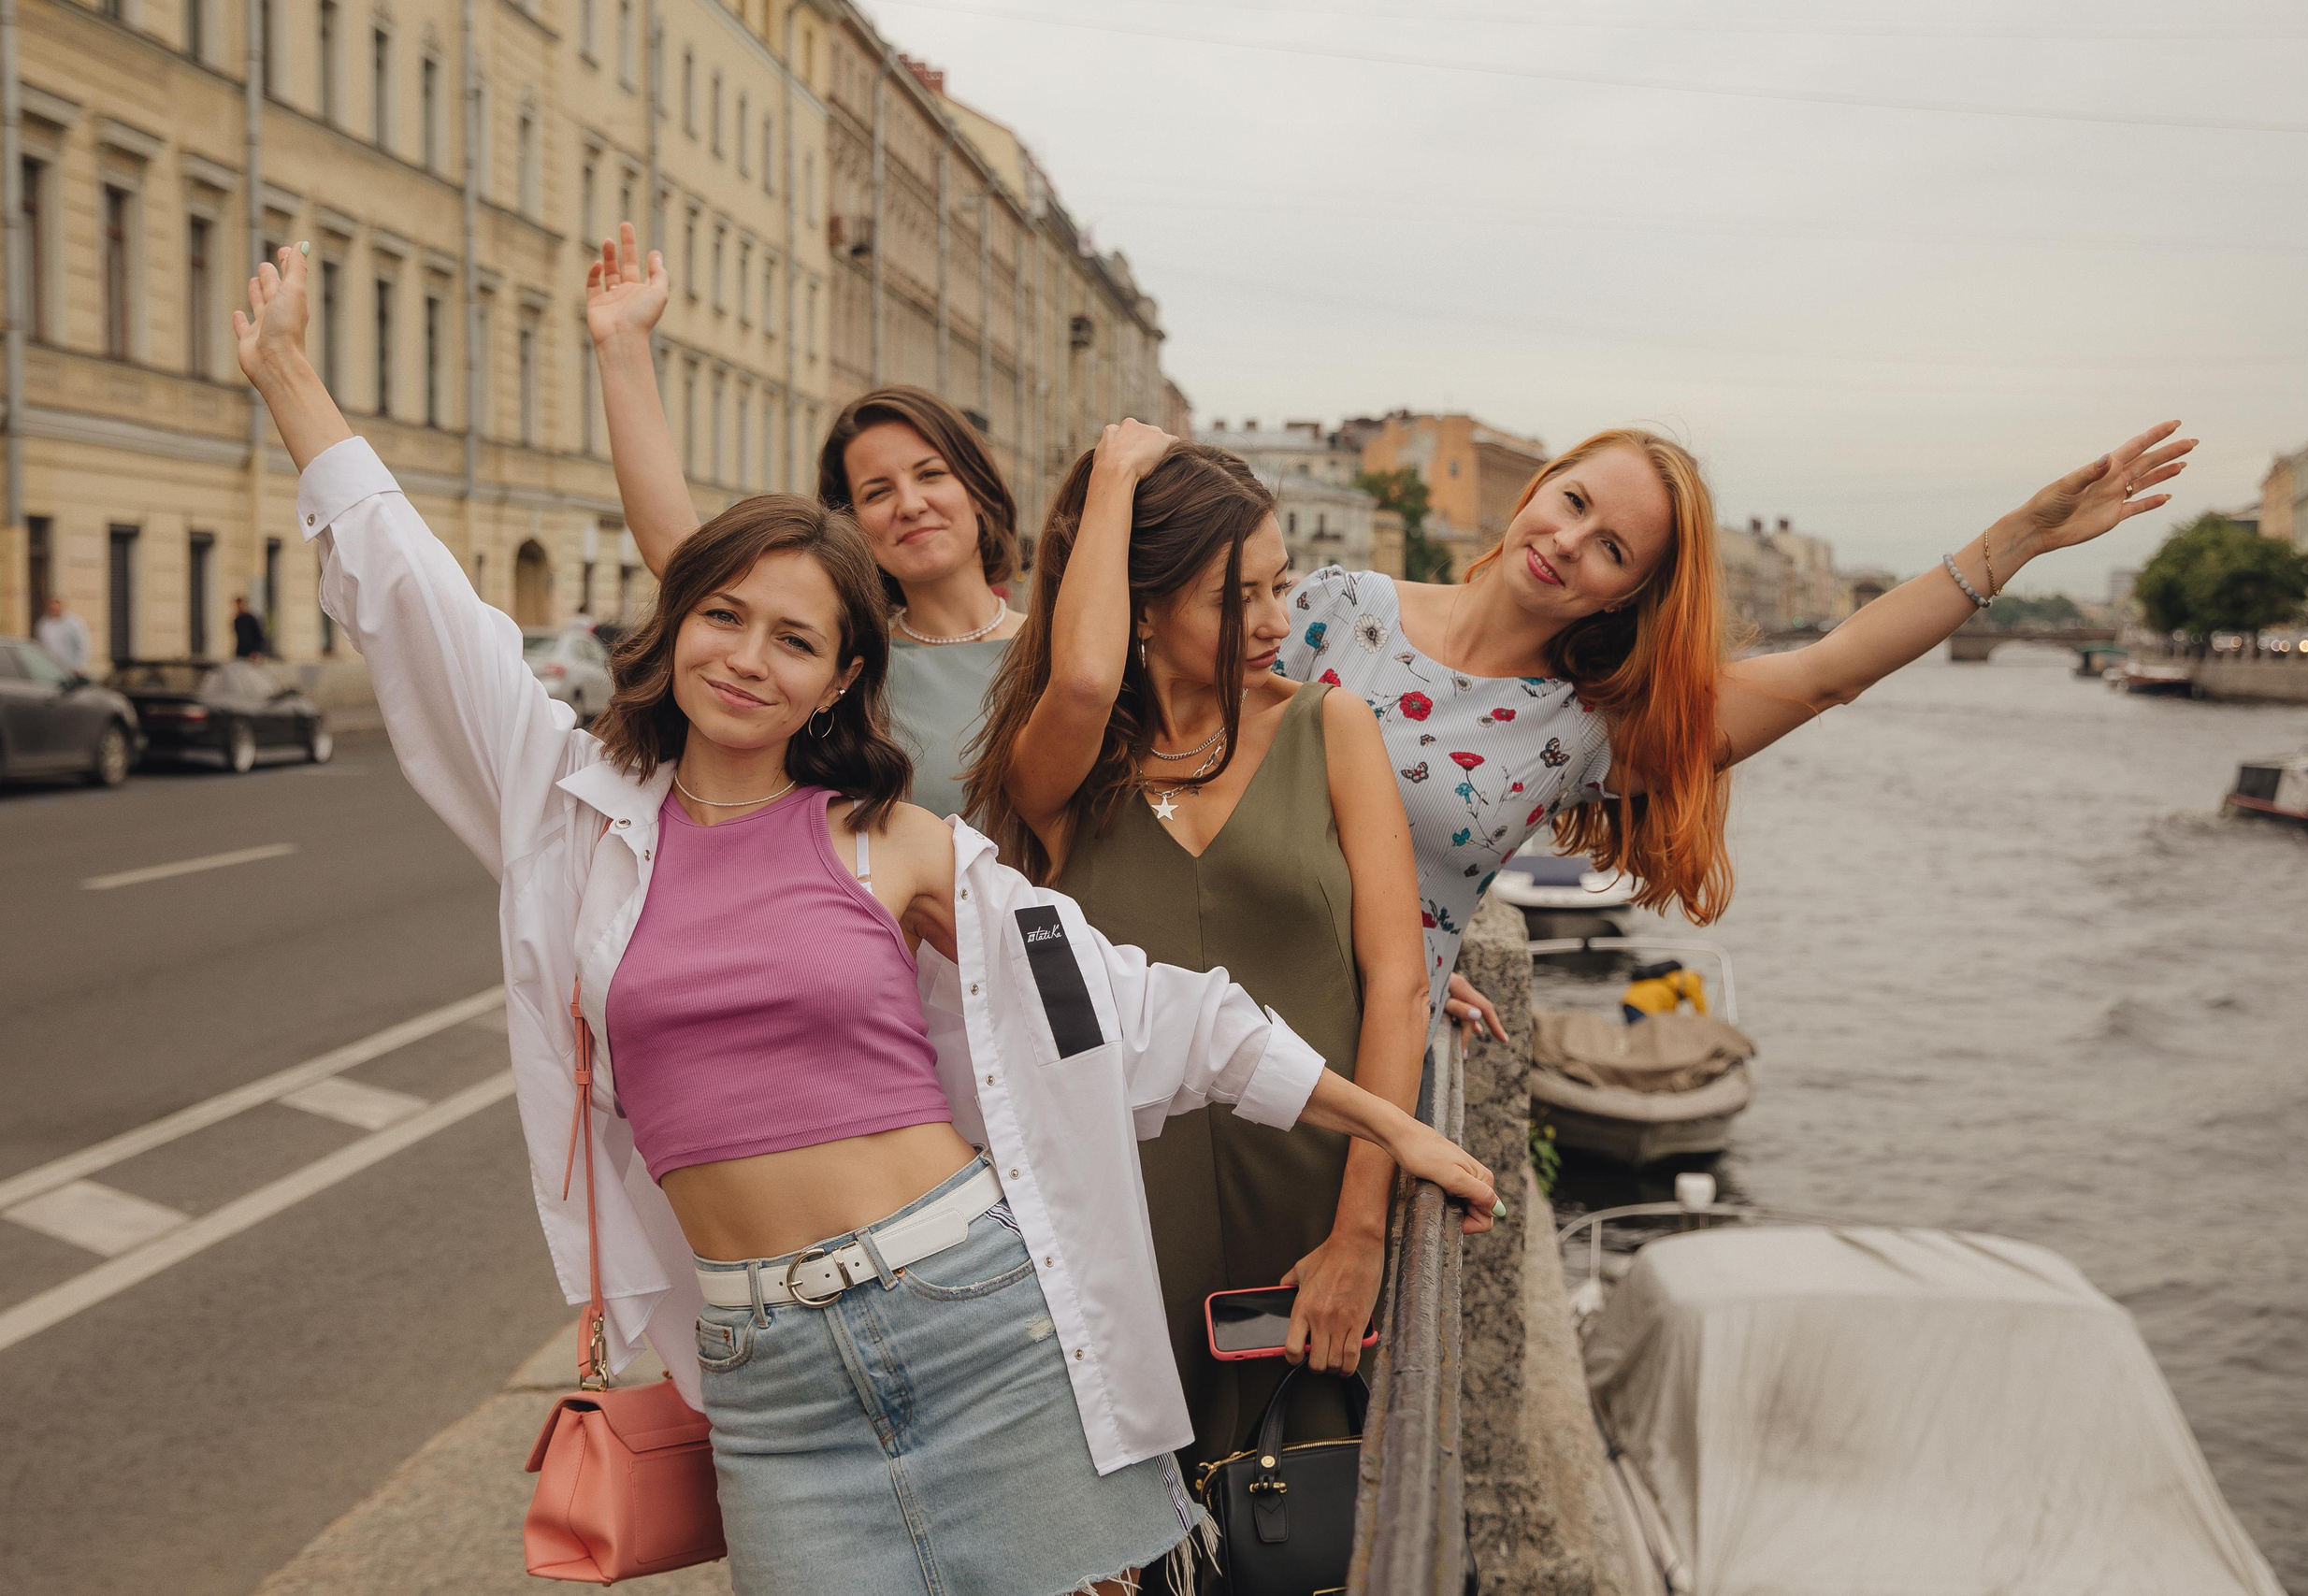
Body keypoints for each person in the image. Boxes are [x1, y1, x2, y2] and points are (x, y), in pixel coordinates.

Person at [233, 244, 1495, 1596]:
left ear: (844, 677)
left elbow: (1139, 1003)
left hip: (979, 1320)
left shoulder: (889, 837)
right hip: (764, 1384)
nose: (746, 658)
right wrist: (290, 376)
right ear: (674, 626)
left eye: (794, 641)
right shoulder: (577, 818)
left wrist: (1398, 1122)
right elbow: (420, 608)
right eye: (721, 616)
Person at [1278, 422, 2195, 1020]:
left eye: (1610, 549)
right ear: (1536, 489)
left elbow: (1825, 674)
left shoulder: (1582, 726)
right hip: (1205, 993)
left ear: (1630, 595)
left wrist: (2018, 540)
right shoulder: (1335, 606)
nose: (1566, 543)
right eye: (1573, 502)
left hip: (1362, 1054)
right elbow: (1195, 767)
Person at [964, 422, 1435, 1481]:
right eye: (1236, 599)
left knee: (1306, 1521)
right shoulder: (1062, 775)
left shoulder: (1331, 728)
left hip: (1315, 1204)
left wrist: (1363, 1230)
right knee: (1141, 1534)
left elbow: (1397, 988)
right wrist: (1116, 477)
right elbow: (1082, 686)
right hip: (1123, 1222)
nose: (1276, 622)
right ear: (1137, 610)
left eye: (1282, 586)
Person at [586, 224, 1024, 820]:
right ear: (854, 523)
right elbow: (680, 551)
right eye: (876, 491)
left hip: (1041, 916)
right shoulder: (830, 658)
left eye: (929, 474)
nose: (910, 504)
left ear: (978, 488)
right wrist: (623, 348)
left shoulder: (1058, 648)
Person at [36, 595, 90, 675]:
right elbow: (40, 645)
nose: (54, 609)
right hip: (49, 669)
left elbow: (82, 645)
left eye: (57, 607)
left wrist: (79, 666)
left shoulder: (73, 623)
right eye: (52, 607)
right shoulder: (43, 624)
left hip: (69, 669)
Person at [231, 595, 268, 660]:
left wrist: (256, 651)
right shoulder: (237, 620)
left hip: (251, 653)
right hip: (241, 652)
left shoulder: (251, 618)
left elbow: (259, 636)